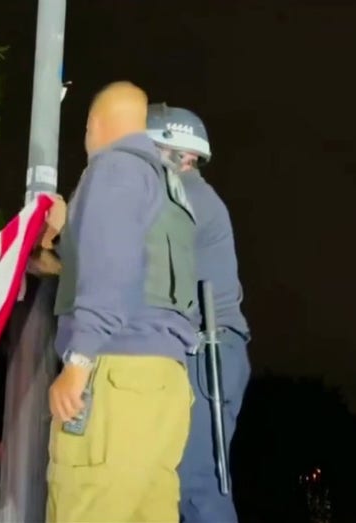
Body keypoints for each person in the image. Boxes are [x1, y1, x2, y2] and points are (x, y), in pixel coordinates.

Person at [45, 81, 199, 523]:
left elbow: (109, 269)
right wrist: (70, 230)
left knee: (85, 503)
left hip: (115, 376)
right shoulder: (169, 185)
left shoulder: (114, 167)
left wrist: (78, 361)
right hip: (165, 387)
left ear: (95, 125)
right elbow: (137, 266)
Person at [146, 103, 252, 523]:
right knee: (178, 482)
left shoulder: (185, 198)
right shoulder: (182, 196)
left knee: (197, 484)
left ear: (175, 151)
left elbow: (127, 254)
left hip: (207, 351)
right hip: (201, 348)